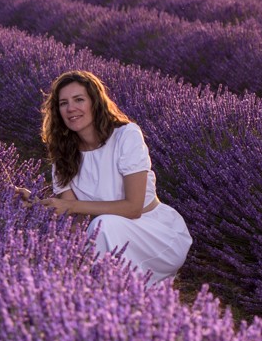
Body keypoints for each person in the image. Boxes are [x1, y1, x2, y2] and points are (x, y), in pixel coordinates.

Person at [19, 69, 192, 286]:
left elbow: (133, 208)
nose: (71, 108)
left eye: (79, 99)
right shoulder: (62, 153)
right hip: (107, 236)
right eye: (63, 103)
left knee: (104, 226)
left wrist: (71, 207)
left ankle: (104, 294)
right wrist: (37, 205)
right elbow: (76, 220)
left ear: (95, 103)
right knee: (92, 234)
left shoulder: (126, 135)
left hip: (154, 233)